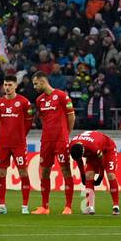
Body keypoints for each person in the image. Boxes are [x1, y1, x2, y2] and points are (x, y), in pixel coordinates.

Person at [31, 71, 77, 215]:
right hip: (46, 141)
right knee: (44, 171)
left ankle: (68, 206)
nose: (34, 86)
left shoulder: (62, 96)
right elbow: (44, 119)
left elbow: (71, 117)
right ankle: (44, 207)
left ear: (43, 81)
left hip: (60, 140)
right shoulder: (39, 100)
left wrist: (66, 134)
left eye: (36, 83)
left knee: (65, 170)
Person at [0, 76, 33, 214]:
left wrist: (20, 136)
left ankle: (25, 206)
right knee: (1, 173)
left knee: (23, 172)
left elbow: (28, 123)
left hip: (18, 144)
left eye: (9, 84)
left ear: (16, 85)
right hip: (3, 144)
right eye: (5, 84)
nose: (7, 87)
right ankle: (2, 206)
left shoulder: (24, 102)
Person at [69, 130, 121, 215]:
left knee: (111, 175)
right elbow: (79, 161)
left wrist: (100, 176)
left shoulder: (93, 147)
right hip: (92, 153)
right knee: (88, 175)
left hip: (107, 149)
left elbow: (102, 162)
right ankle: (90, 206)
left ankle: (116, 205)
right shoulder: (72, 146)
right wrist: (82, 176)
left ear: (83, 151)